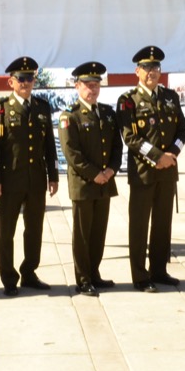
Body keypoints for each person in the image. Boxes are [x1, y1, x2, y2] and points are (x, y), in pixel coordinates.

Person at [0, 56, 60, 294]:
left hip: (36, 179)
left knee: (35, 228)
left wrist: (53, 175)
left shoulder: (41, 107)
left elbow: (49, 144)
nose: (26, 83)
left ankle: (29, 272)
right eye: (21, 78)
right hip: (9, 181)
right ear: (11, 82)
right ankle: (9, 278)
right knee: (7, 231)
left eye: (30, 78)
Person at [117, 46, 185, 292]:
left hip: (168, 173)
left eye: (156, 67)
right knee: (139, 225)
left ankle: (159, 270)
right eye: (147, 68)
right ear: (137, 71)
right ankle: (140, 275)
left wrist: (173, 154)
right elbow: (130, 138)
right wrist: (158, 157)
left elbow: (182, 132)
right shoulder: (128, 101)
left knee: (162, 224)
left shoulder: (170, 97)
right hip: (143, 173)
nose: (152, 72)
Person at [60, 61, 122, 296]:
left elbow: (117, 145)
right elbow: (71, 153)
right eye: (87, 84)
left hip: (105, 182)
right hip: (84, 184)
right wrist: (95, 173)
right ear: (77, 86)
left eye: (96, 84)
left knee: (99, 232)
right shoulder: (70, 116)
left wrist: (111, 170)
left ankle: (94, 273)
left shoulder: (107, 112)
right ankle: (83, 278)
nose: (93, 89)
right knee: (83, 234)